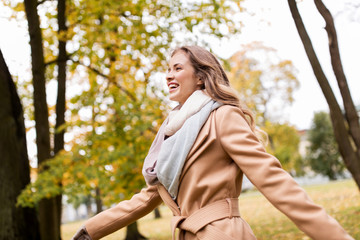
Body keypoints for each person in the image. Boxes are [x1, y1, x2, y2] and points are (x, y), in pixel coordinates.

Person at [73, 46, 353, 240]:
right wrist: (91, 230)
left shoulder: (223, 117)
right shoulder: (171, 133)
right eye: (167, 69)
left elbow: (275, 182)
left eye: (177, 68)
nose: (168, 75)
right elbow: (149, 197)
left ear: (199, 76)